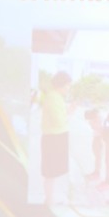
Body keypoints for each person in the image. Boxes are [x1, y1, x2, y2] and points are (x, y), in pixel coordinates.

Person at [39, 71, 72, 204]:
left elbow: (61, 116)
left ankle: (50, 199)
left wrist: (69, 111)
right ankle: (49, 201)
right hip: (53, 139)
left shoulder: (57, 97)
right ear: (61, 84)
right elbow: (58, 121)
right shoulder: (53, 97)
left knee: (53, 173)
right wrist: (67, 117)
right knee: (50, 173)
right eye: (68, 85)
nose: (68, 88)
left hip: (56, 138)